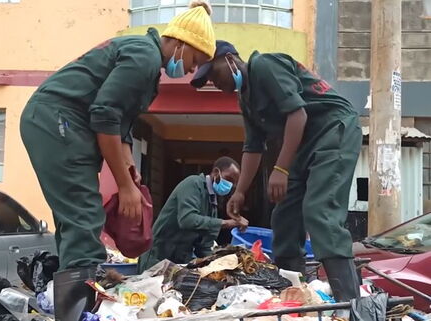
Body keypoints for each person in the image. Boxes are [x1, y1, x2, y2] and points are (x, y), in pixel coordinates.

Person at [19, 2, 216, 320]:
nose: (193, 71)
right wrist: (124, 186)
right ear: (181, 43)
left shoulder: (149, 66)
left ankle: (80, 295)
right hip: (58, 121)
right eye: (195, 61)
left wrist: (130, 175)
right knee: (83, 215)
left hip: (64, 123)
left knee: (78, 218)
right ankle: (77, 311)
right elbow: (105, 116)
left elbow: (121, 128)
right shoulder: (144, 56)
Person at [190, 41, 362, 309]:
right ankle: (295, 297)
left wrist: (281, 169)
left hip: (333, 129)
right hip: (304, 145)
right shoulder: (245, 99)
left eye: (214, 74)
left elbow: (297, 115)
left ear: (230, 59)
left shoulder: (264, 65)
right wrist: (240, 191)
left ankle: (350, 305)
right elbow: (253, 147)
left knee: (319, 211)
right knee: (283, 217)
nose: (215, 82)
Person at [137, 156, 247, 273]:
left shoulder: (212, 205)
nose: (230, 185)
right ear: (216, 172)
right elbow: (187, 220)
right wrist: (225, 223)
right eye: (228, 179)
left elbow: (204, 245)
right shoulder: (193, 184)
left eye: (233, 183)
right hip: (157, 256)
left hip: (179, 262)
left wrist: (218, 265)